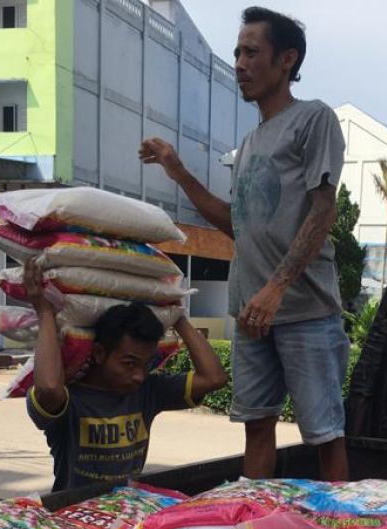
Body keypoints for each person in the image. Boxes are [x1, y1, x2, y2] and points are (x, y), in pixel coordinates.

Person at [138, 6, 350, 481]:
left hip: (306, 312)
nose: (239, 62)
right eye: (236, 52)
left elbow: (323, 210)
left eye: (252, 52)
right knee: (256, 427)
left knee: (324, 434)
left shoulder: (313, 119)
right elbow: (238, 223)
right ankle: (253, 523)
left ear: (287, 60)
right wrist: (178, 171)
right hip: (253, 316)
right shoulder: (251, 142)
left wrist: (276, 288)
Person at [24, 259, 228, 492]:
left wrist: (178, 316)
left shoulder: (148, 391)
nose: (139, 376)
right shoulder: (69, 399)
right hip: (73, 514)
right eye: (129, 363)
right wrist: (45, 313)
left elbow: (214, 378)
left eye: (146, 364)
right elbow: (49, 387)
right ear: (99, 353)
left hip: (128, 512)